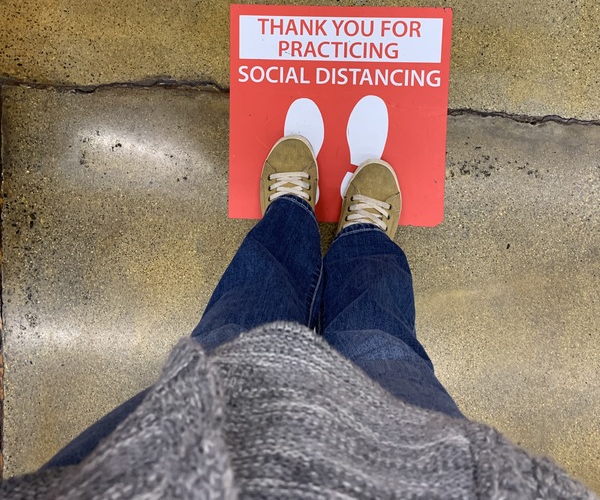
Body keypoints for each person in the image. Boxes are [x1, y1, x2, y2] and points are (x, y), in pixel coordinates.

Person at [1, 135, 595, 499]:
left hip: (166, 469)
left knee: (241, 327)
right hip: (414, 472)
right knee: (379, 342)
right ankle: (361, 237)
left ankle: (290, 215)